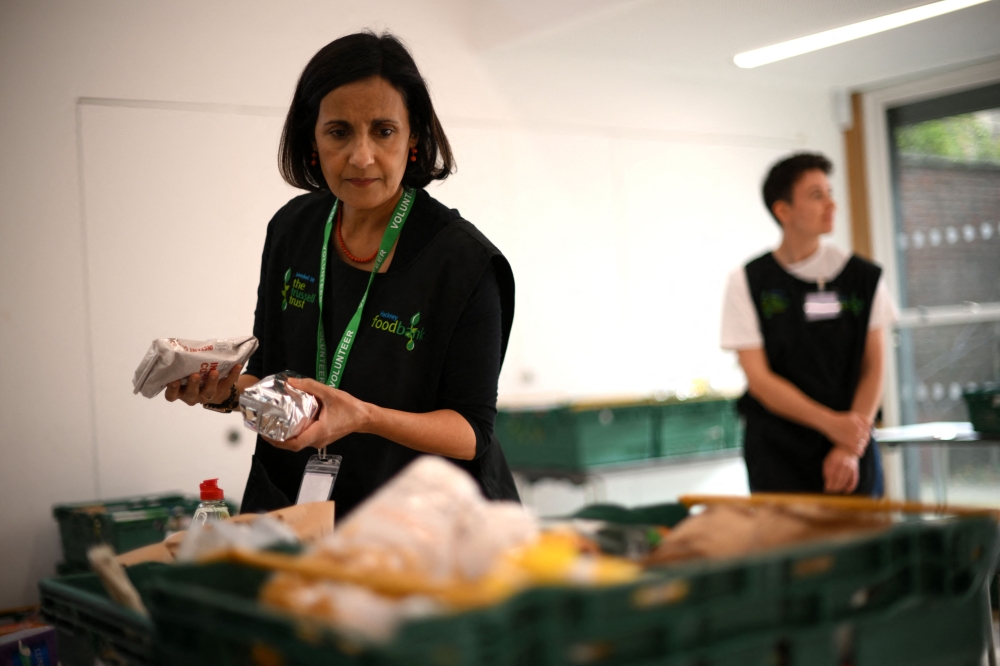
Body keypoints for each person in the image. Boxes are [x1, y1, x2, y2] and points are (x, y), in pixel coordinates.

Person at [162, 32, 520, 519]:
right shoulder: (293, 229)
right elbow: (270, 374)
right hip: (295, 505)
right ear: (313, 138)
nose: (361, 156)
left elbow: (471, 431)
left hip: (421, 527)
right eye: (339, 132)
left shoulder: (464, 262)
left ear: (413, 136)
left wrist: (364, 418)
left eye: (384, 131)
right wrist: (224, 390)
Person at [720, 153, 897, 496]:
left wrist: (848, 447)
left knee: (857, 546)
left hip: (852, 445)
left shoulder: (864, 278)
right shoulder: (748, 282)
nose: (831, 204)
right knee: (789, 548)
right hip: (778, 453)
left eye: (830, 193)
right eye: (817, 195)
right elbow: (759, 380)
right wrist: (832, 425)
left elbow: (874, 368)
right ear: (782, 210)